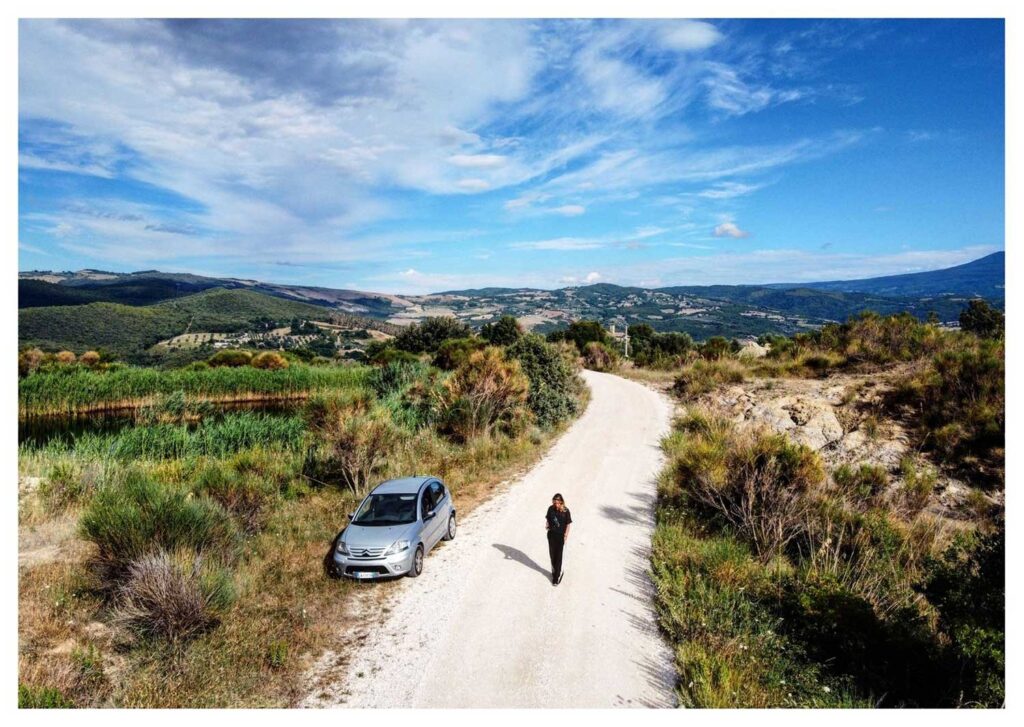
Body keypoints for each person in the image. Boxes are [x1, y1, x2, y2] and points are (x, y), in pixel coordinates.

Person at [545, 493, 572, 585]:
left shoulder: (566, 511)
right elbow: (548, 518)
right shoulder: (550, 509)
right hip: (551, 535)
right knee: (552, 554)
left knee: (559, 556)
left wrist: (565, 536)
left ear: (561, 502)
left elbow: (568, 524)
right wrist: (547, 524)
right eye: (554, 502)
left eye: (557, 502)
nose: (556, 504)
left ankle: (556, 576)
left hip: (560, 536)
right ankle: (554, 571)